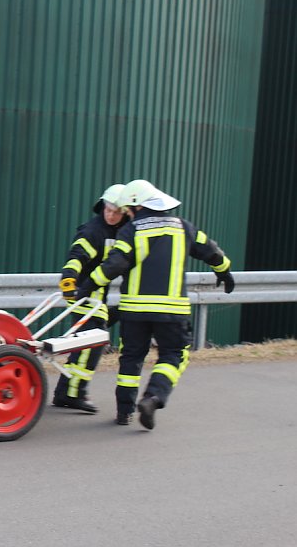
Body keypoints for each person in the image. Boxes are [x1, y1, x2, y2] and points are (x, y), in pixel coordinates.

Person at [76, 179, 235, 428]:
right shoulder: (183, 227)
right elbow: (211, 250)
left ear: (138, 206)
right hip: (171, 312)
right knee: (173, 355)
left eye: (128, 208)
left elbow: (114, 265)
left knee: (130, 359)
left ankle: (124, 412)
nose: (126, 213)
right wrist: (224, 271)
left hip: (134, 312)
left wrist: (86, 286)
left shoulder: (133, 230)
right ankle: (153, 397)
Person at [52, 184, 126, 413]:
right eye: (108, 210)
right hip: (84, 293)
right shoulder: (94, 231)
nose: (111, 215)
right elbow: (77, 255)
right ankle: (72, 394)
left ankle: (66, 392)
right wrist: (69, 278)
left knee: (87, 343)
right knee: (90, 344)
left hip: (98, 296)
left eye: (116, 212)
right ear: (102, 206)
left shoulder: (123, 231)